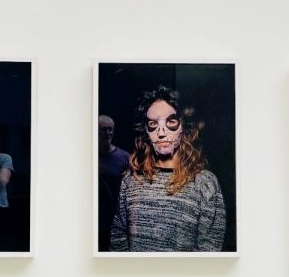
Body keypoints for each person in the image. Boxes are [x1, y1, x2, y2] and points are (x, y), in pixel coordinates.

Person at [109, 85, 226, 252]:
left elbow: (209, 250)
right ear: (146, 132)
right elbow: (117, 242)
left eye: (171, 122)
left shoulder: (205, 183)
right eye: (153, 123)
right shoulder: (130, 181)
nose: (161, 132)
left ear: (184, 127)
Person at [97, 115, 130, 250]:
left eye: (110, 130)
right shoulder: (86, 155)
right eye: (103, 130)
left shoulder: (124, 158)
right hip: (93, 222)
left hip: (115, 222)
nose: (107, 133)